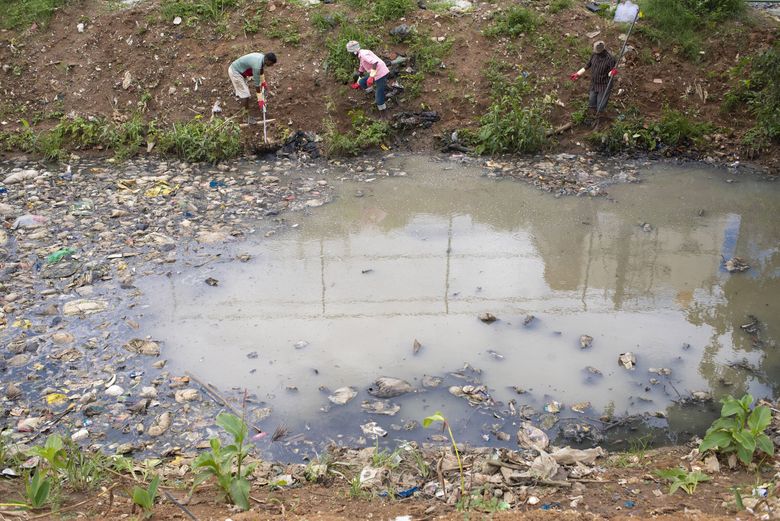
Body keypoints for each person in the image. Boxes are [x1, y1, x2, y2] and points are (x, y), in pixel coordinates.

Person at [570, 41, 618, 113]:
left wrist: (612, 73)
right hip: (594, 83)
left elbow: (611, 73)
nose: (596, 53)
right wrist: (578, 73)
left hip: (604, 85)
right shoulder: (594, 55)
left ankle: (599, 115)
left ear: (602, 51)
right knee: (591, 102)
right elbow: (588, 65)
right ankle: (592, 115)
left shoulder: (610, 59)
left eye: (598, 53)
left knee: (600, 105)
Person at [346, 41, 389, 113]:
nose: (350, 54)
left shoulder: (363, 54)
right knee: (362, 82)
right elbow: (361, 68)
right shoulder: (361, 54)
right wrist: (358, 80)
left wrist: (371, 77)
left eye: (350, 53)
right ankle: (374, 92)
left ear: (354, 52)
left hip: (381, 73)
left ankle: (384, 112)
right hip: (375, 72)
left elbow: (375, 62)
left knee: (379, 98)